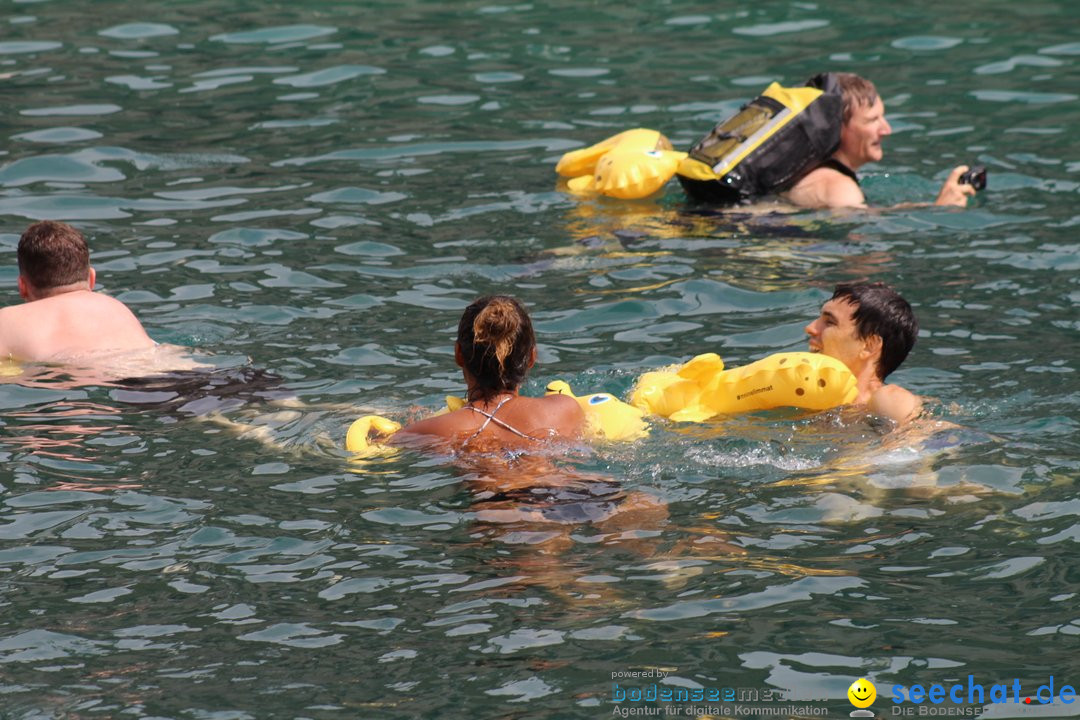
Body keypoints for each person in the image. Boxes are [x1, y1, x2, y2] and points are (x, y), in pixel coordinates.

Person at [393, 295, 585, 449]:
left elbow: (374, 443)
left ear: (458, 354)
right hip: (586, 491)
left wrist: (414, 422)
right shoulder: (564, 407)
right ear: (532, 357)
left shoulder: (430, 431)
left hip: (501, 496)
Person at [785, 73, 976, 210]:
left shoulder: (804, 174)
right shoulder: (839, 188)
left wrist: (933, 205)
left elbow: (869, 214)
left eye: (882, 117)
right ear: (838, 129)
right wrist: (940, 211)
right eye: (872, 120)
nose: (886, 130)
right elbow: (859, 257)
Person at [0, 221, 155, 362]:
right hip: (169, 369)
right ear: (92, 279)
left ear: (22, 287)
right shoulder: (115, 308)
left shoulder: (7, 320)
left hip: (102, 377)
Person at [804, 281, 922, 424]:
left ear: (869, 346)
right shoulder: (808, 398)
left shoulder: (888, 401)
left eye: (830, 322)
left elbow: (938, 441)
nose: (810, 328)